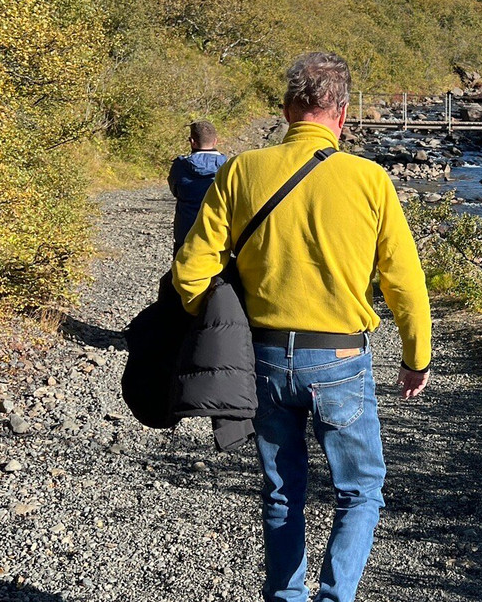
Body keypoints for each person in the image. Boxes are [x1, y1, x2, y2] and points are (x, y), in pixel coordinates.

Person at [171, 51, 432, 602]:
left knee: (282, 493)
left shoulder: (241, 170)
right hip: (339, 359)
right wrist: (417, 357)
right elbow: (403, 282)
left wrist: (217, 327)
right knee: (359, 490)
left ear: (289, 109)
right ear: (341, 115)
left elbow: (190, 271)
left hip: (261, 356)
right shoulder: (370, 179)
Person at [168, 120, 227, 256]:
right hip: (218, 234)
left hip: (186, 232)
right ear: (215, 141)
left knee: (182, 273)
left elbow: (175, 190)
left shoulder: (180, 166)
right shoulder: (228, 165)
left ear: (192, 141)